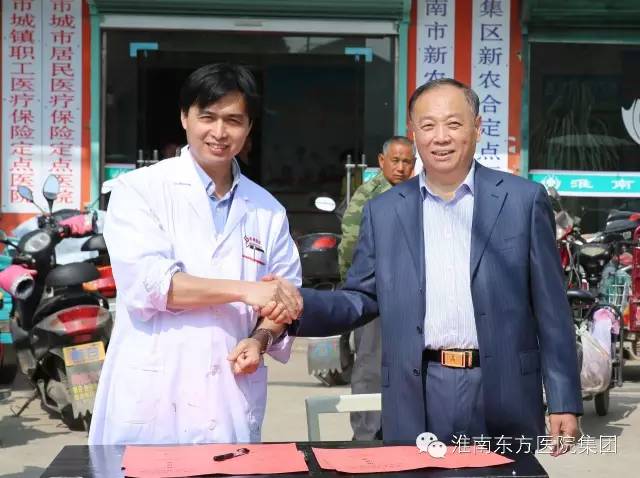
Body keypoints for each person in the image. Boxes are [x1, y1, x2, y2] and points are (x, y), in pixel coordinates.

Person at [264, 78, 582, 451]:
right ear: (414, 133)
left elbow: (551, 308)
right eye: (428, 126)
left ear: (477, 128)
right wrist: (298, 303)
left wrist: (563, 398)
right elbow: (360, 298)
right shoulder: (384, 211)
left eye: (453, 124)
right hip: (417, 390)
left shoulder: (522, 201)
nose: (440, 137)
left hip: (504, 390)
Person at [89, 63, 301, 445]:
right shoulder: (139, 190)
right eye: (208, 117)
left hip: (230, 397)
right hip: (154, 400)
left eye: (233, 120)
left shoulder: (267, 210)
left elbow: (284, 300)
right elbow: (155, 286)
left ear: (249, 127)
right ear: (184, 117)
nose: (219, 132)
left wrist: (260, 339)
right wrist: (247, 290)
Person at [338, 136, 415, 440]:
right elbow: (349, 247)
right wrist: (356, 294)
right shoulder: (368, 196)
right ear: (382, 162)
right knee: (370, 365)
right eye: (395, 161)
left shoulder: (420, 193)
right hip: (375, 297)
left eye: (407, 161)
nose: (401, 167)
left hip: (410, 298)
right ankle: (366, 435)